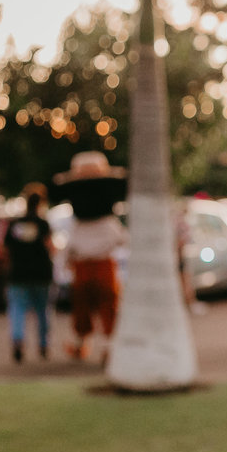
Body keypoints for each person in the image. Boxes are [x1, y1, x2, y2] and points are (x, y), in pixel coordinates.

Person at [51, 151, 128, 363]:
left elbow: (68, 248)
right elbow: (122, 240)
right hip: (102, 265)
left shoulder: (80, 225)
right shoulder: (108, 224)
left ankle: (86, 344)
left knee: (86, 309)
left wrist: (63, 265)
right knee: (105, 307)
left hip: (85, 266)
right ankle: (106, 346)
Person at [3, 183, 55, 363]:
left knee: (17, 309)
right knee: (43, 311)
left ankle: (18, 341)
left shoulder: (15, 223)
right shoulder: (43, 224)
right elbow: (51, 247)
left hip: (18, 273)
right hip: (41, 273)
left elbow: (6, 248)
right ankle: (43, 345)